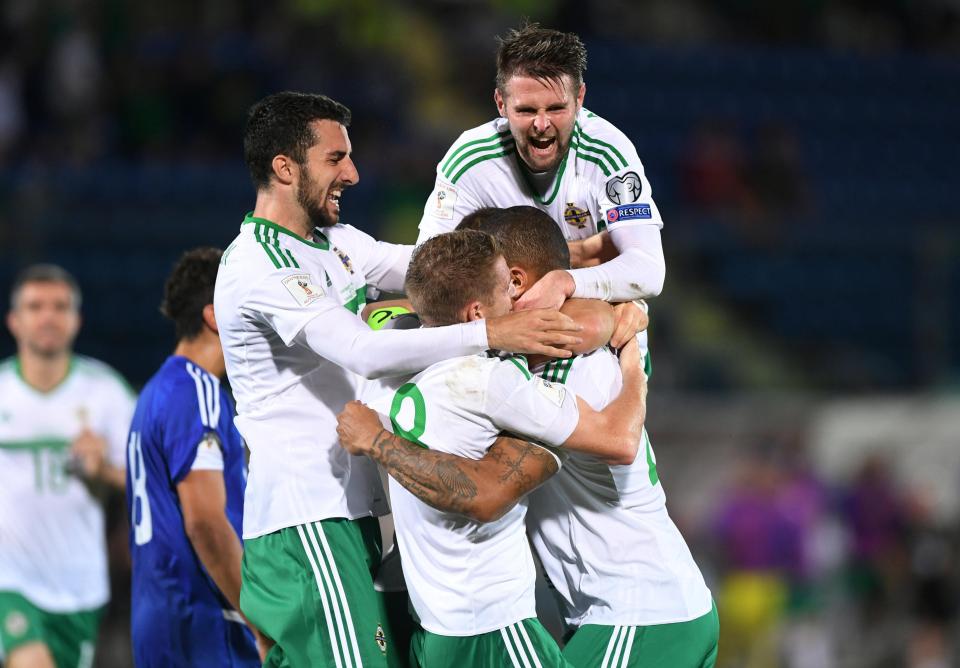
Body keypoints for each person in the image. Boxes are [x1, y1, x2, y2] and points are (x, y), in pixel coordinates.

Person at [215, 91, 582, 667]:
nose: (353, 174)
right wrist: (492, 335)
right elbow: (362, 351)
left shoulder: (336, 244)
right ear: (285, 168)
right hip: (308, 516)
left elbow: (443, 272)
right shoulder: (258, 266)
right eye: (335, 159)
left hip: (356, 510)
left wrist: (560, 273)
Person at [342, 211, 717, 667]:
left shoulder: (560, 368)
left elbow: (617, 443)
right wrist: (620, 313)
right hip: (622, 611)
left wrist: (632, 349)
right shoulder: (510, 352)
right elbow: (392, 313)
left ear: (515, 283)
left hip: (639, 609)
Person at [418, 24, 666, 315]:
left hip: (595, 341)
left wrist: (564, 281)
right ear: (500, 103)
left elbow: (649, 269)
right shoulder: (470, 162)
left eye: (556, 109)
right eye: (526, 110)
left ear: (580, 99)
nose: (541, 125)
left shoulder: (607, 153)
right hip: (498, 343)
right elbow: (429, 272)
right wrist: (578, 254)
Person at [126, 248, 263, 667]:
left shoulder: (156, 391)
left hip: (162, 613)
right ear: (215, 316)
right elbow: (204, 520)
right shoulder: (197, 393)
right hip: (203, 617)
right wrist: (258, 621)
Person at [0, 264, 135, 668]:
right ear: (14, 320)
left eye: (59, 307)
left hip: (79, 589)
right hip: (11, 583)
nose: (48, 316)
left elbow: (149, 482)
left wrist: (105, 470)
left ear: (76, 320)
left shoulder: (106, 393)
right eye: (35, 306)